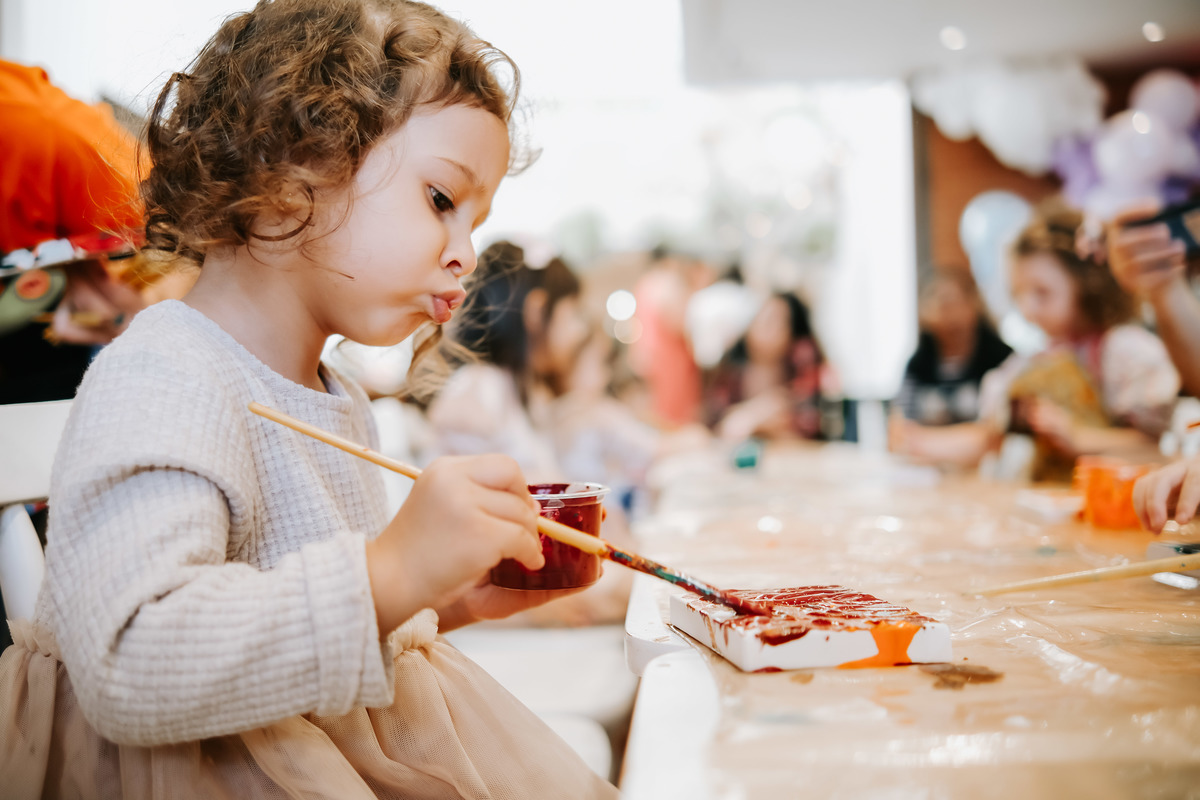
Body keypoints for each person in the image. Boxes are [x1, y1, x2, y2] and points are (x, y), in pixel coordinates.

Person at [0, 2, 617, 797]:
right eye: (441, 200)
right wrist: (388, 572)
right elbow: (130, 662)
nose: (466, 255)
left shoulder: (337, 395)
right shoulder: (166, 372)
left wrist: (441, 595)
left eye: (477, 221)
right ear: (292, 172)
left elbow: (301, 632)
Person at [425, 242, 637, 626]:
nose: (577, 332)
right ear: (538, 311)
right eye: (572, 313)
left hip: (521, 584)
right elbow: (464, 541)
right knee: (637, 594)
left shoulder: (518, 391)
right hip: (493, 603)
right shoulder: (477, 393)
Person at [890, 203, 1179, 481]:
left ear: (1088, 283)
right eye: (1020, 294)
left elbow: (1157, 446)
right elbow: (990, 436)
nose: (1028, 309)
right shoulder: (1032, 362)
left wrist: (1079, 439)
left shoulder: (1124, 350)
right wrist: (921, 440)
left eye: (1042, 292)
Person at [705, 291, 833, 442]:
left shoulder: (802, 375)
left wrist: (754, 420)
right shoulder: (729, 374)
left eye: (775, 321)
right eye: (760, 316)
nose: (763, 325)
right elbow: (716, 427)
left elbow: (810, 432)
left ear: (792, 334)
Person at [893, 271, 1012, 426]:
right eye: (942, 306)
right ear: (925, 314)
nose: (950, 316)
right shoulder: (918, 364)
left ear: (974, 305)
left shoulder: (1002, 359)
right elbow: (900, 423)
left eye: (956, 303)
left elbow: (998, 429)